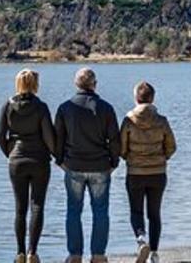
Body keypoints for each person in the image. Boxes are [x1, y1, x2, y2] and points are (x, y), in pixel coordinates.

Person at [54, 67, 120, 263]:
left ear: (76, 84)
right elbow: (114, 139)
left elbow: (58, 138)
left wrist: (60, 161)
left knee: (73, 211)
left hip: (73, 166)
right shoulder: (106, 108)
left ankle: (75, 255)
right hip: (100, 166)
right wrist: (114, 162)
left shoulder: (65, 108)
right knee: (101, 211)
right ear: (94, 84)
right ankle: (98, 255)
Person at [0, 69, 56, 263]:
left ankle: (20, 252)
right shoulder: (41, 107)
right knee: (37, 206)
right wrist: (57, 155)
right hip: (39, 160)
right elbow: (49, 137)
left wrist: (11, 153)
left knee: (20, 209)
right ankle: (33, 251)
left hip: (17, 161)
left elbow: (0, 136)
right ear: (35, 85)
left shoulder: (8, 105)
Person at [120, 81, 177, 263]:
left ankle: (140, 239)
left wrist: (129, 158)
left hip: (135, 173)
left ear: (136, 98)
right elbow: (172, 146)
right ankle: (154, 253)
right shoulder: (162, 121)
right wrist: (162, 158)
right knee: (154, 214)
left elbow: (121, 148)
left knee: (136, 211)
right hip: (158, 173)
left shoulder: (128, 120)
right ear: (152, 98)